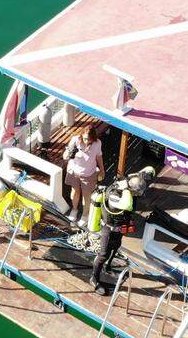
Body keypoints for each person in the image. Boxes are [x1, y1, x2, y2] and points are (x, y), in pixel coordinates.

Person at [89, 166, 155, 294]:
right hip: (109, 229)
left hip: (120, 227)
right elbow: (126, 205)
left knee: (116, 246)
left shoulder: (130, 183)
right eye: (136, 193)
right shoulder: (115, 194)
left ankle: (107, 267)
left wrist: (142, 174)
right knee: (103, 254)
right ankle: (94, 279)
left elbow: (149, 170)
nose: (138, 195)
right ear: (130, 189)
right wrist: (126, 190)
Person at [62, 125, 104, 226]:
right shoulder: (75, 140)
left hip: (89, 174)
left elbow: (99, 157)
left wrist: (102, 170)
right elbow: (66, 155)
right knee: (75, 192)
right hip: (74, 172)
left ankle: (85, 216)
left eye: (89, 140)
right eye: (85, 139)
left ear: (93, 138)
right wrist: (66, 155)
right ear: (81, 136)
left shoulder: (97, 143)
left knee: (87, 196)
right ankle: (74, 210)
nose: (86, 141)